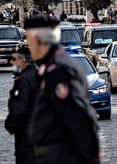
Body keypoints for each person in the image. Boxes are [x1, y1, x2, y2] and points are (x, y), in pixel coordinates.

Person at [23, 14, 99, 164]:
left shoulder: (58, 71)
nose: (29, 49)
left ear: (38, 41)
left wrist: (92, 158)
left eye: (30, 43)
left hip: (62, 156)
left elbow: (79, 116)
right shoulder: (57, 64)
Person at [5, 47, 39, 164]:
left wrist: (11, 125)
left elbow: (19, 108)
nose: (11, 62)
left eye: (14, 59)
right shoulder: (39, 75)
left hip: (27, 132)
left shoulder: (23, 80)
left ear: (23, 60)